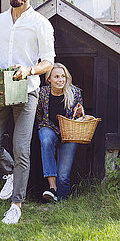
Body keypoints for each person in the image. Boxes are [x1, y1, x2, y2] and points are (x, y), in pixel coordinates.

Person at [0, 0, 55, 224]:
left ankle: (16, 205)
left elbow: (48, 62)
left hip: (27, 89)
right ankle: (11, 172)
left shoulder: (40, 24)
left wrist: (29, 69)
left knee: (21, 148)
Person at [36, 63, 84, 202]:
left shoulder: (74, 92)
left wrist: (80, 113)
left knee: (63, 174)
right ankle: (52, 188)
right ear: (49, 79)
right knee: (46, 140)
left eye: (63, 76)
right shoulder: (43, 93)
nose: (60, 79)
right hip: (49, 127)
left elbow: (80, 116)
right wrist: (43, 124)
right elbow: (40, 114)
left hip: (69, 132)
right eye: (56, 76)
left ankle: (62, 201)